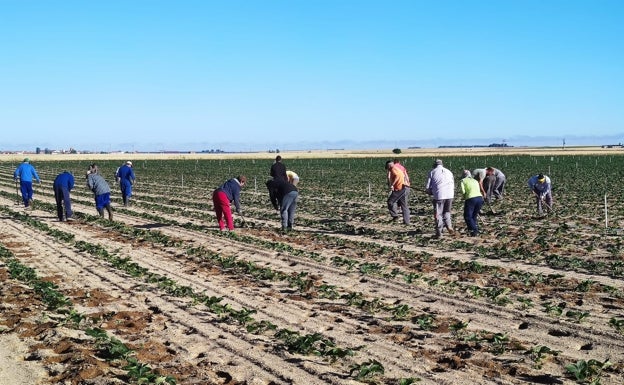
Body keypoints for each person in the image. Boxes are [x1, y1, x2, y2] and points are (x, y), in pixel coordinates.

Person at [425, 159, 455, 238]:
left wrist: (429, 192)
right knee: (447, 212)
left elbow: (428, 187)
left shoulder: (432, 172)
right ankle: (449, 226)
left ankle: (439, 233)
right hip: (450, 195)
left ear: (435, 165)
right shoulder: (449, 171)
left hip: (439, 196)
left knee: (438, 214)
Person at [460, 170, 484, 236]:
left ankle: (475, 230)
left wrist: (464, 197)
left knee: (467, 216)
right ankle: (472, 231)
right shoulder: (475, 180)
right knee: (474, 215)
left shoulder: (463, 181)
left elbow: (463, 191)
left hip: (471, 198)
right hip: (480, 198)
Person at [386, 160, 410, 224]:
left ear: (389, 165)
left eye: (387, 167)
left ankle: (395, 216)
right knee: (404, 205)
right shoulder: (399, 168)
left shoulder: (393, 169)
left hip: (400, 188)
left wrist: (392, 185)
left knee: (390, 201)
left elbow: (397, 176)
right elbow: (405, 175)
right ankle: (407, 222)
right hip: (405, 187)